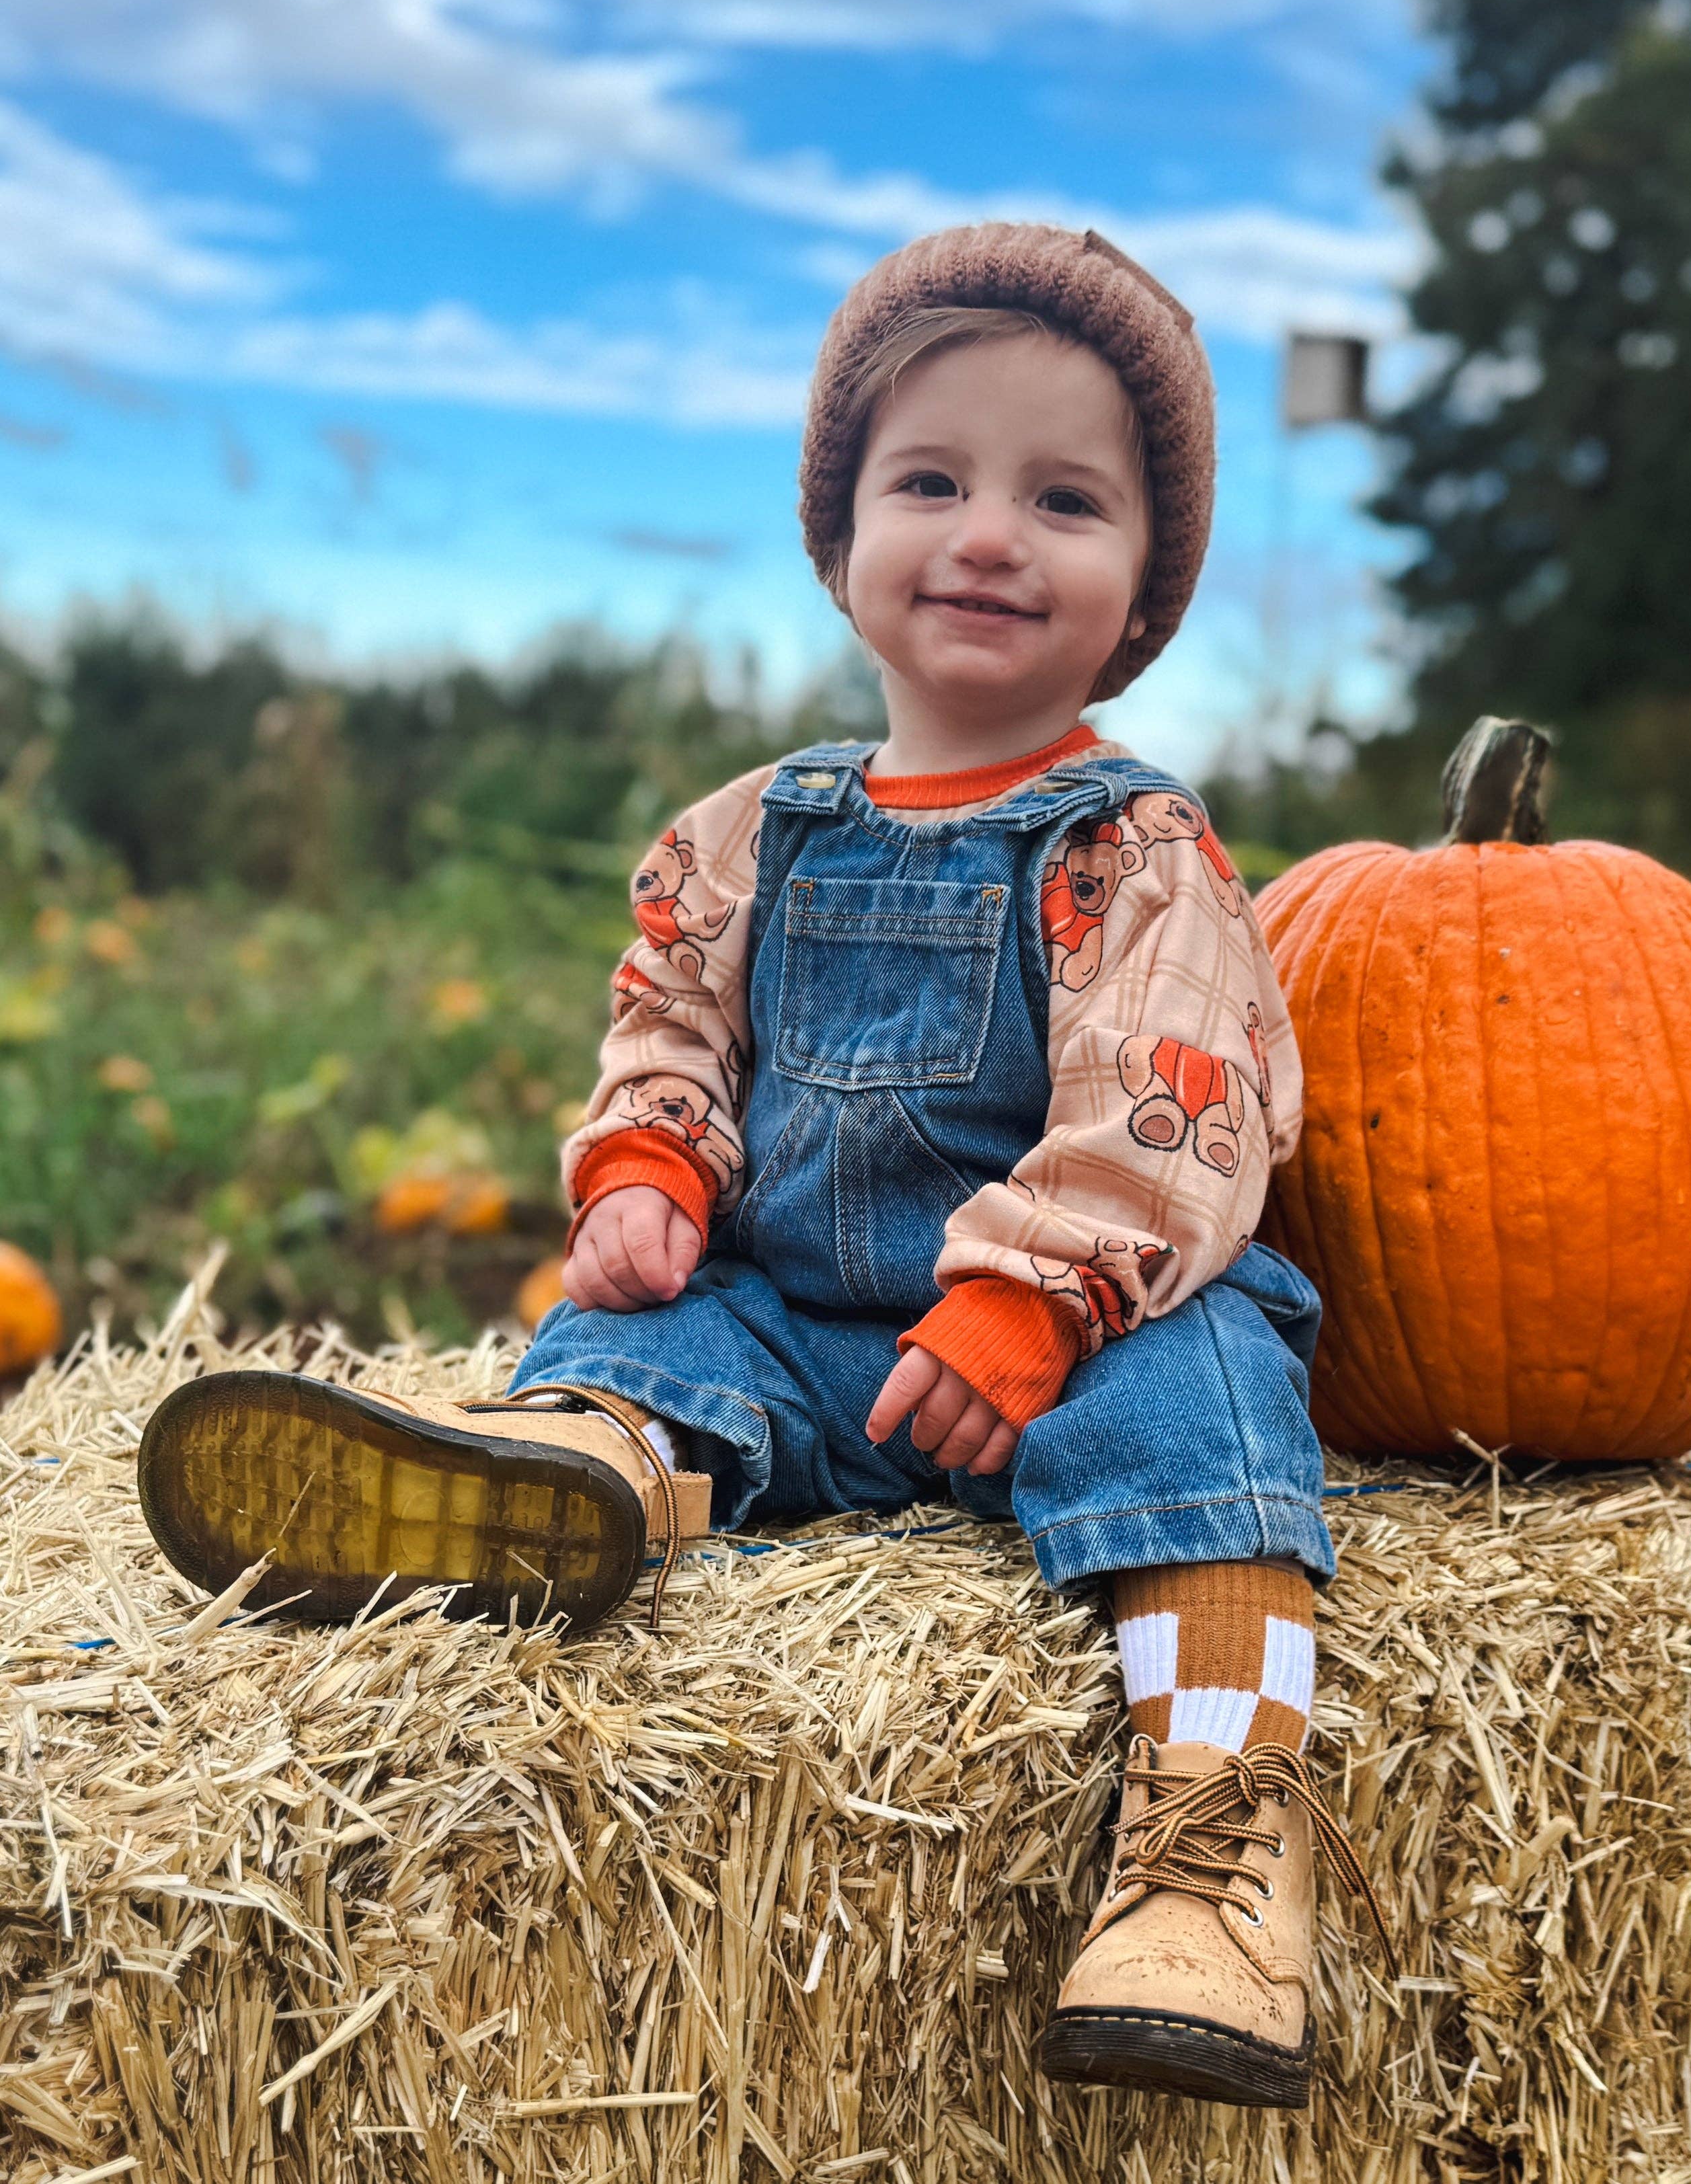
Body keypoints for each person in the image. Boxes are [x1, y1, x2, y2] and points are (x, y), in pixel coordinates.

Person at [138, 223, 1389, 2109]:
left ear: (1145, 594)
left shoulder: (1134, 848)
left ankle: (1210, 1848)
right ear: (839, 540)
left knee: (1215, 1382)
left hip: (1060, 1352)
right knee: (643, 1313)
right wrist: (647, 1161)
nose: (989, 532)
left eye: (1065, 499)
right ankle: (576, 1489)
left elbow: (1182, 1104)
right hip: (815, 1340)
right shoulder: (749, 832)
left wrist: (1035, 1293)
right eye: (933, 480)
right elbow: (669, 1024)